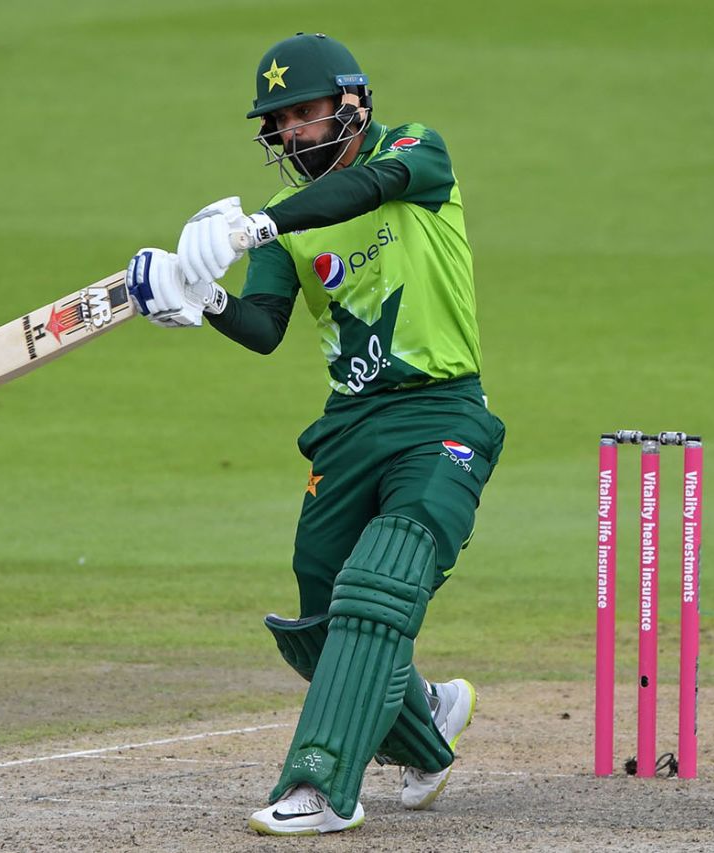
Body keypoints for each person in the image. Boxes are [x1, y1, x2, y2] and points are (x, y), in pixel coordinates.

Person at [124, 32, 505, 836]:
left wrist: (251, 229)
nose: (293, 131)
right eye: (280, 121)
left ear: (352, 103)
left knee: (383, 579)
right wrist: (201, 301)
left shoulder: (415, 150)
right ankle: (427, 723)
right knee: (319, 625)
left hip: (440, 413)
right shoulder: (292, 227)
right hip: (346, 431)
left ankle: (321, 784)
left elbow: (367, 189)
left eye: (306, 112)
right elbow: (264, 326)